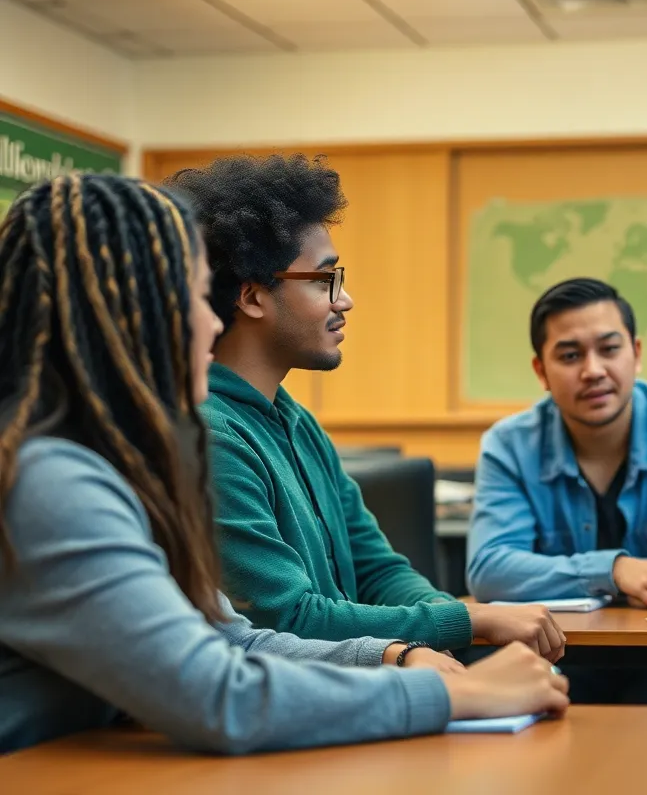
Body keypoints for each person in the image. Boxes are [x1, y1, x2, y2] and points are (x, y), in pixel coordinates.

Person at [0, 174, 568, 755]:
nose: (213, 322)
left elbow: (232, 641)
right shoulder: (49, 481)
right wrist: (455, 695)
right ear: (132, 314)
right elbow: (221, 695)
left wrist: (391, 654)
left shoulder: (113, 466)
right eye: (196, 298)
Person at [167, 155, 564, 665]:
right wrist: (468, 619)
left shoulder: (295, 421)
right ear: (251, 297)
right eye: (323, 280)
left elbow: (377, 569)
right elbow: (289, 618)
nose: (345, 300)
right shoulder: (211, 437)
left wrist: (444, 617)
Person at [465, 277, 647, 607]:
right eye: (569, 356)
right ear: (541, 372)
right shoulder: (508, 445)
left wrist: (583, 577)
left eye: (609, 349)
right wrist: (615, 570)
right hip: (554, 648)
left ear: (636, 355)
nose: (593, 370)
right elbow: (489, 569)